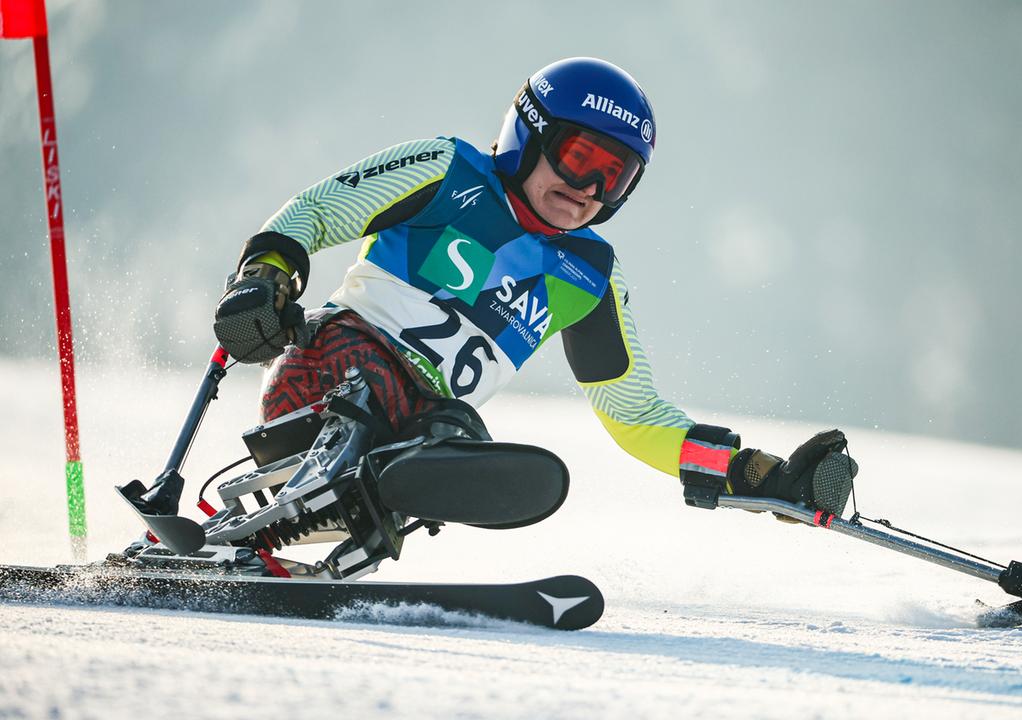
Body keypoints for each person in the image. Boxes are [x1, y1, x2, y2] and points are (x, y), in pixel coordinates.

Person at [211, 57, 856, 525]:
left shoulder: (589, 277)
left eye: (616, 177)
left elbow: (634, 415)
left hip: (421, 436)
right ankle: (358, 477)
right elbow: (314, 214)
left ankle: (397, 490)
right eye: (581, 159)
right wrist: (263, 278)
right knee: (376, 385)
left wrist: (754, 475)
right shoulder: (449, 170)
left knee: (455, 429)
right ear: (530, 132)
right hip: (329, 376)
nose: (590, 191)